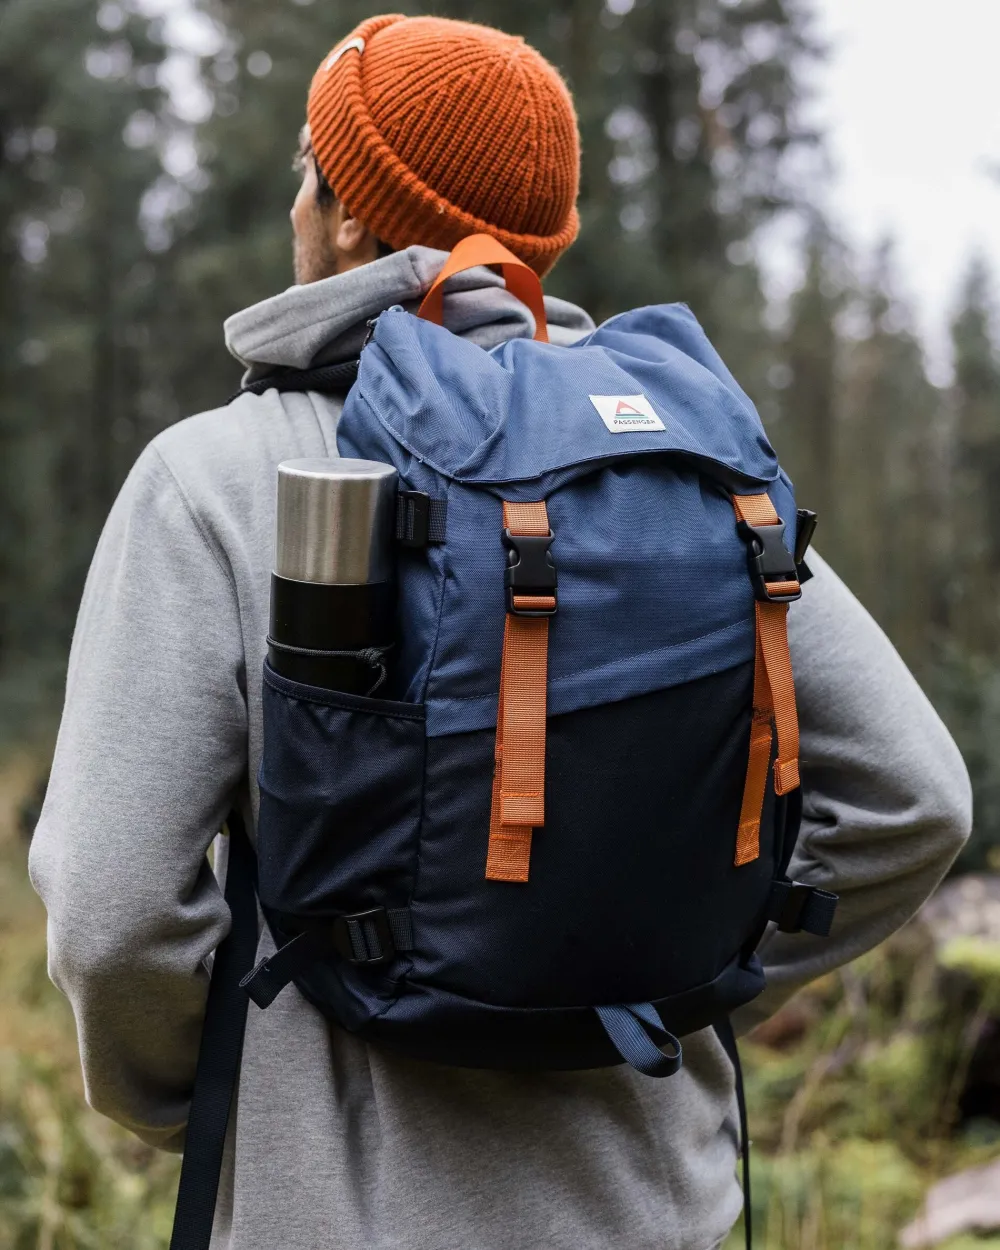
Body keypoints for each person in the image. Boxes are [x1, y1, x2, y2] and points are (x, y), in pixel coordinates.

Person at [29, 14, 971, 1250]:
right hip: (661, 1206)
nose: (296, 210)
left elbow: (110, 918)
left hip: (342, 1213)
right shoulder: (683, 470)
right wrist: (672, 969)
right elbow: (918, 801)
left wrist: (214, 1090)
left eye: (311, 176)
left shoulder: (214, 477)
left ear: (353, 218)